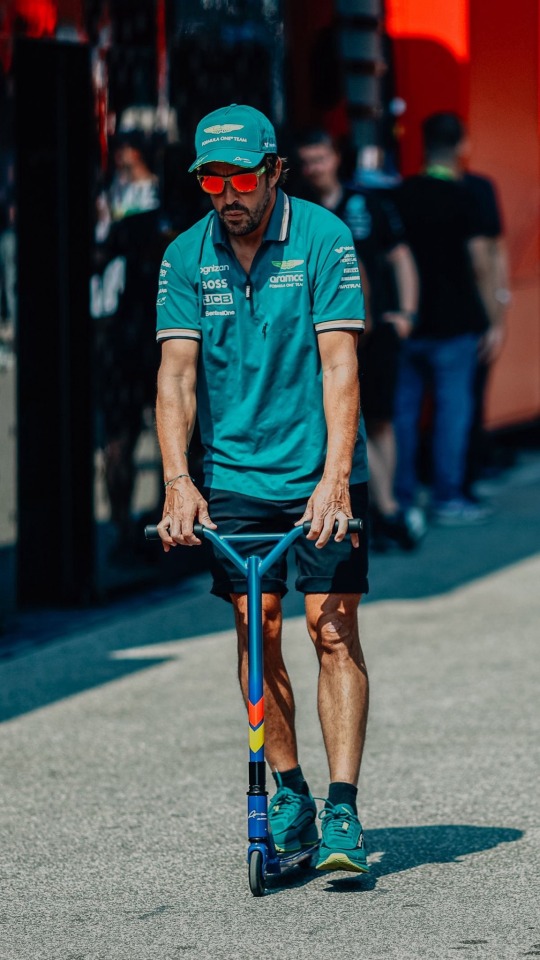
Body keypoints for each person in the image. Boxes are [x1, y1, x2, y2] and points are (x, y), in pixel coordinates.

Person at [154, 104, 370, 874]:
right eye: (211, 181)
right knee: (259, 624)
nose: (227, 195)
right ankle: (291, 793)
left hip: (319, 467)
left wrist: (335, 479)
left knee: (330, 627)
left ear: (275, 170)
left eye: (241, 179)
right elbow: (176, 378)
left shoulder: (324, 238)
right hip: (235, 474)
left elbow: (339, 363)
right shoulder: (185, 256)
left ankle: (342, 808)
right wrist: (178, 483)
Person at [294, 128, 423, 551]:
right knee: (340, 421)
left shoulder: (366, 204)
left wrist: (406, 314)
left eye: (320, 158)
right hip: (322, 337)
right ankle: (377, 513)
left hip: (375, 330)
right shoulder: (297, 211)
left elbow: (400, 257)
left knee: (380, 420)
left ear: (336, 157)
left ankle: (386, 510)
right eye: (307, 161)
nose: (315, 168)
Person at [391, 112, 503, 526]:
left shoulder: (400, 195)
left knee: (402, 416)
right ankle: (447, 496)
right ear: (461, 146)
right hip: (457, 325)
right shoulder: (465, 196)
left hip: (410, 323)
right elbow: (481, 262)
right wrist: (493, 318)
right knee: (452, 414)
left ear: (422, 145)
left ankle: (402, 498)